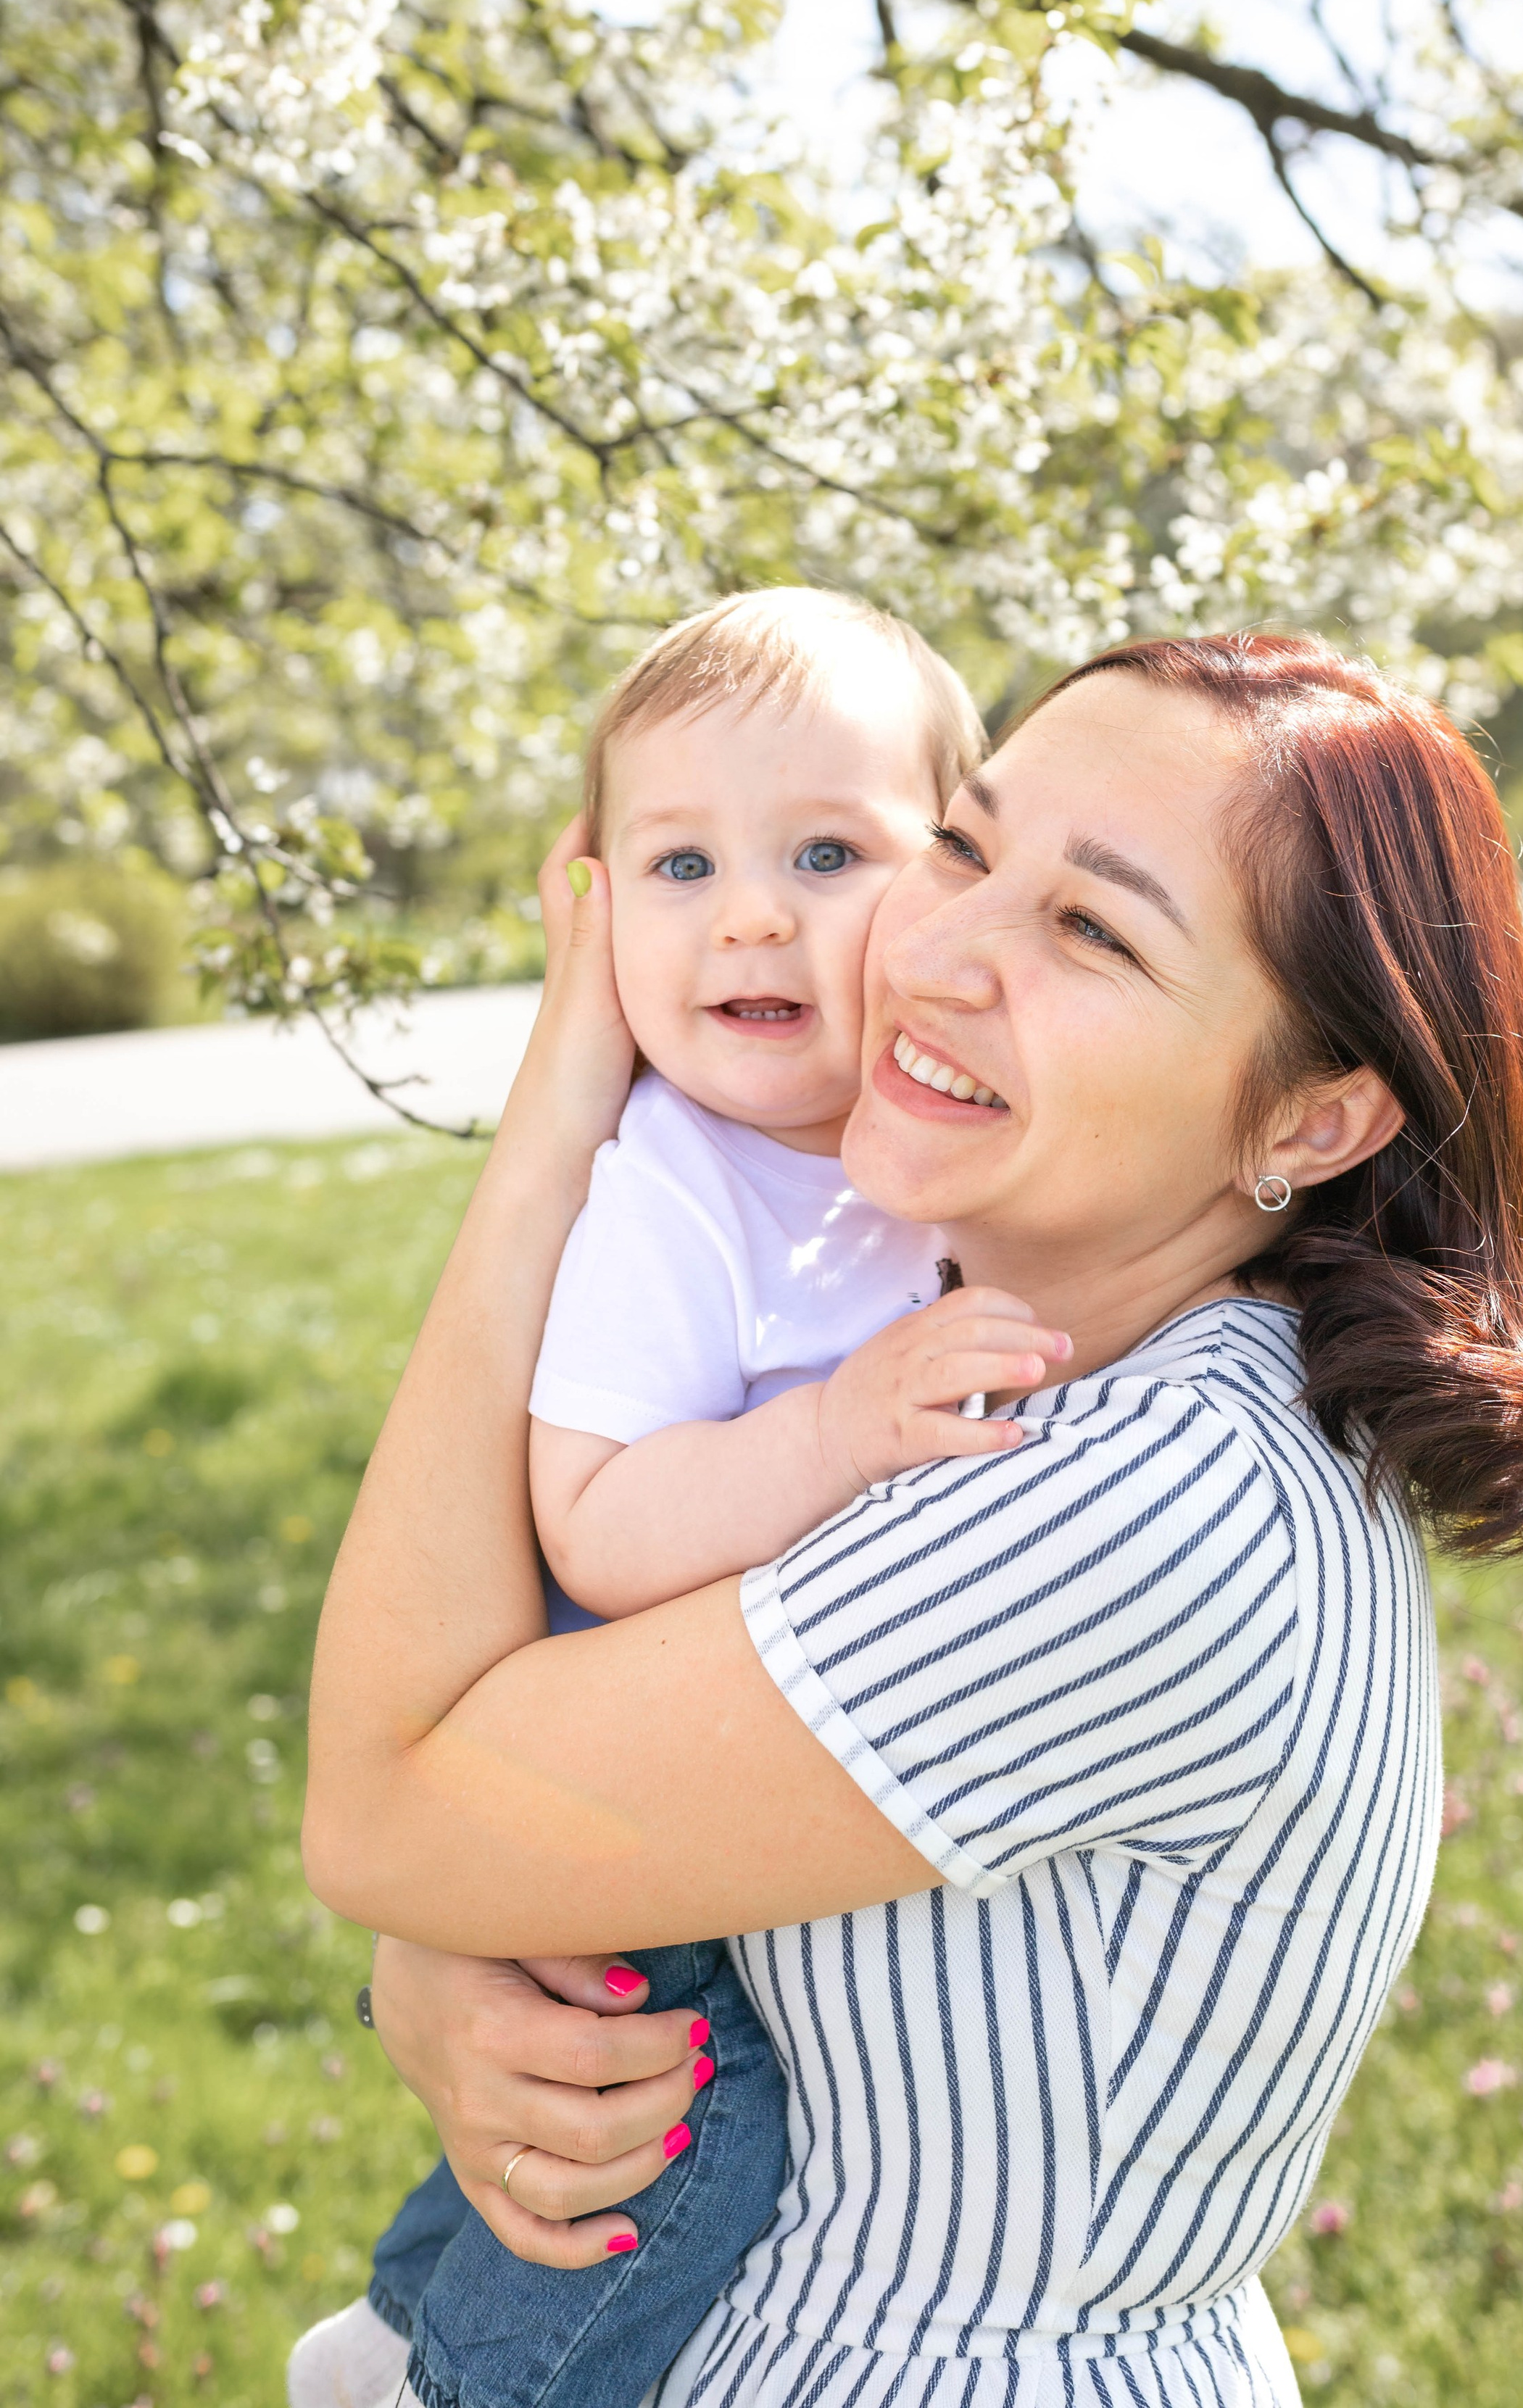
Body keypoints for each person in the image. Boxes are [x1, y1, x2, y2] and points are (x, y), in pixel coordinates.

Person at [305, 631, 1523, 2408]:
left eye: (1090, 929)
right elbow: (473, 1830)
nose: (936, 953)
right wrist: (458, 1976)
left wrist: (556, 1119)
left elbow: (388, 1802)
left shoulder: (1133, 1514)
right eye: (961, 846)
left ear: (1311, 1115)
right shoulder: (979, 1354)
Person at [292, 588, 1070, 2408]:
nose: (751, 914)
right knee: (666, 2155)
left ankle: (400, 2320)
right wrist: (835, 1432)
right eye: (678, 865)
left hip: (792, 1749)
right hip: (639, 1783)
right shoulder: (676, 1192)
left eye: (825, 850)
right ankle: (443, 2376)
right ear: (596, 908)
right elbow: (596, 1522)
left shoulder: (914, 1147)